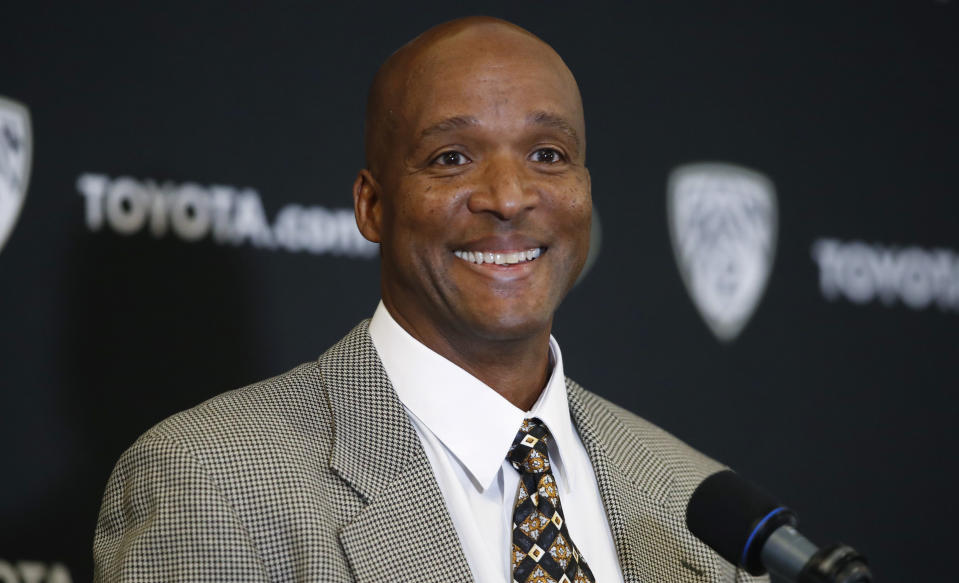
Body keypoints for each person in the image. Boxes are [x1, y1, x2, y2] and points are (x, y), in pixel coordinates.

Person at [93, 16, 764, 583]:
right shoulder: (206, 480)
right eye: (451, 157)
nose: (507, 197)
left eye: (548, 154)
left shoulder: (700, 506)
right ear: (372, 205)